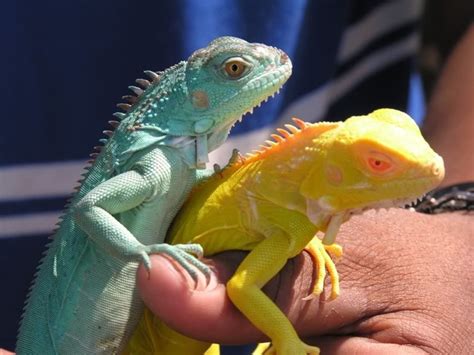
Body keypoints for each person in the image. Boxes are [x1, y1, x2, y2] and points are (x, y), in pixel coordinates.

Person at [135, 24, 474, 354]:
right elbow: (242, 287)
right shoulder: (289, 224)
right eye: (378, 164)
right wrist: (286, 340)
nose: (434, 167)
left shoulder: (290, 205)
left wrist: (461, 209)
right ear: (331, 173)